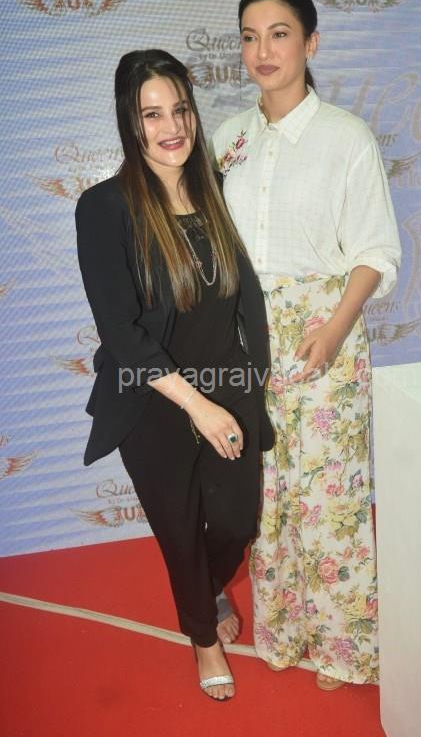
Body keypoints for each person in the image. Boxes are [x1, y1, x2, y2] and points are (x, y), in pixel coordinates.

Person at [210, 0, 401, 691]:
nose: (263, 51)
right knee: (268, 492)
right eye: (250, 36)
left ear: (311, 43)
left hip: (324, 330)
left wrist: (337, 329)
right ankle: (286, 633)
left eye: (280, 34)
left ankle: (342, 646)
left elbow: (376, 251)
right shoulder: (228, 138)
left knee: (329, 496)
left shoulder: (347, 137)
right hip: (246, 335)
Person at [75, 49, 274, 701]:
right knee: (181, 529)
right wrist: (198, 406)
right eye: (152, 114)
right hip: (151, 399)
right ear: (129, 123)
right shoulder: (105, 207)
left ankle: (206, 588)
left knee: (238, 521)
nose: (172, 127)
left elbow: (244, 295)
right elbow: (121, 331)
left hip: (227, 386)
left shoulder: (215, 187)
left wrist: (252, 381)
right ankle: (203, 637)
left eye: (180, 109)